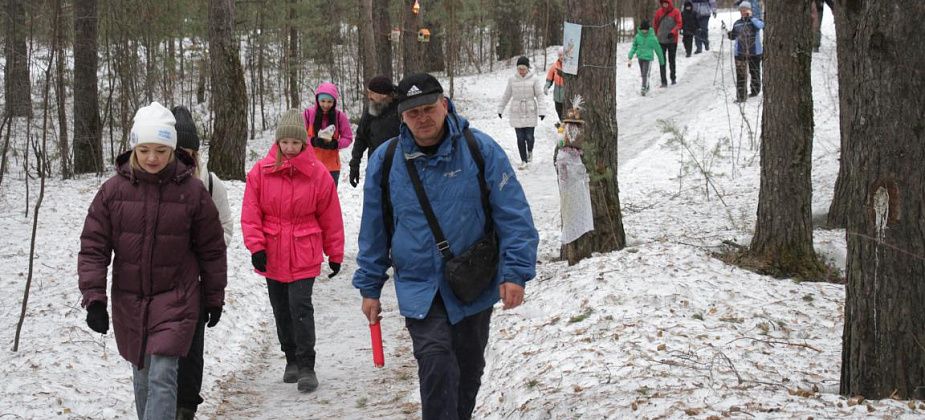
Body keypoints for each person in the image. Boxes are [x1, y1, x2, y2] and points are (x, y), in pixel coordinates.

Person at [353, 73, 539, 420]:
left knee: (468, 373)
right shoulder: (386, 160)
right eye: (413, 113)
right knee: (436, 364)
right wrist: (370, 286)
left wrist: (515, 272)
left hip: (472, 283)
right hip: (419, 286)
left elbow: (513, 215)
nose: (422, 119)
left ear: (444, 105)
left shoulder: (479, 149)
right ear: (401, 117)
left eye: (428, 109)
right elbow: (374, 229)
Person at [78, 101, 227, 420]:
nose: (152, 157)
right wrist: (94, 299)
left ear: (172, 149)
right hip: (129, 302)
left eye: (161, 150)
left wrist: (213, 297)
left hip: (177, 298)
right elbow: (94, 247)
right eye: (145, 149)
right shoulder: (112, 193)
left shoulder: (192, 192)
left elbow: (211, 249)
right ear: (134, 147)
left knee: (162, 374)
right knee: (144, 377)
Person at [241, 109, 345, 393]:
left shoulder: (317, 174)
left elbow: (330, 216)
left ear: (303, 143)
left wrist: (335, 253)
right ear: (278, 142)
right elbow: (251, 213)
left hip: (304, 250)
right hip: (272, 252)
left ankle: (307, 365)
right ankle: (290, 359)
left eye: (295, 143)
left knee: (300, 306)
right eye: (284, 142)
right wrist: (256, 247)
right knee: (281, 308)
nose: (289, 148)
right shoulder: (260, 172)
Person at [170, 105, 233, 420]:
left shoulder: (210, 184)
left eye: (189, 151)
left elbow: (226, 229)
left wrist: (204, 245)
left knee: (192, 351)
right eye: (178, 151)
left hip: (195, 283)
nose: (184, 157)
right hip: (162, 284)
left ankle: (186, 409)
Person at [349, 75, 401, 188]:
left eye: (372, 93)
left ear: (384, 95)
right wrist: (355, 164)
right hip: (376, 166)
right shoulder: (370, 110)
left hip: (400, 168)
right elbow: (361, 137)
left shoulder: (402, 109)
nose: (369, 96)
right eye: (368, 92)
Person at [498, 56, 546, 169]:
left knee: (529, 137)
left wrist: (542, 111)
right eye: (519, 68)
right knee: (520, 138)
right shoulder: (512, 79)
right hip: (517, 111)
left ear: (527, 68)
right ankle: (523, 160)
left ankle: (530, 150)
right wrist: (500, 109)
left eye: (523, 69)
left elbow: (539, 95)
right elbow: (506, 95)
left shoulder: (534, 79)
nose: (521, 71)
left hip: (530, 110)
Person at [303, 82, 354, 186]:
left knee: (329, 199)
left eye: (329, 101)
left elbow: (348, 138)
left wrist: (336, 144)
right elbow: (300, 136)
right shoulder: (308, 114)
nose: (326, 105)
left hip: (332, 168)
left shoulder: (340, 117)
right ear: (317, 100)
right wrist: (312, 141)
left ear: (334, 102)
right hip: (310, 165)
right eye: (323, 101)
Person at [728, 1, 765, 103]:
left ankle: (755, 90)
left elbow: (761, 26)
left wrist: (751, 18)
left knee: (755, 72)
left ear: (749, 10)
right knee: (741, 75)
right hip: (740, 53)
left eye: (745, 10)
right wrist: (727, 34)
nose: (743, 12)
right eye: (741, 10)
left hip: (755, 52)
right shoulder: (737, 23)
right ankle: (741, 96)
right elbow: (733, 36)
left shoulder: (755, 21)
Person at [628, 19, 666, 96]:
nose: (644, 31)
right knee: (643, 73)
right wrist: (630, 55)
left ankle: (644, 87)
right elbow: (634, 46)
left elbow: (658, 49)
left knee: (645, 73)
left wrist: (661, 60)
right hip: (640, 57)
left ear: (648, 29)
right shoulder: (638, 36)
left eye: (645, 30)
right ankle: (646, 84)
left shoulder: (652, 38)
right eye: (643, 30)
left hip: (648, 59)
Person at [654, 0, 683, 86]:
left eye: (666, 3)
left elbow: (679, 24)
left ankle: (673, 78)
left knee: (672, 60)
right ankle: (663, 81)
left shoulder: (676, 12)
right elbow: (655, 24)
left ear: (669, 3)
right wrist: (655, 35)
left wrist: (673, 32)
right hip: (661, 41)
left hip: (672, 41)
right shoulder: (658, 12)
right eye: (663, 3)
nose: (665, 5)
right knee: (662, 61)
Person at [544, 48, 566, 124]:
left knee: (566, 112)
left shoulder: (569, 66)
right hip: (557, 93)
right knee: (558, 110)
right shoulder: (554, 66)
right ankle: (562, 123)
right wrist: (546, 86)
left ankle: (565, 126)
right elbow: (549, 78)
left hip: (566, 93)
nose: (562, 57)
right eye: (560, 55)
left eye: (563, 55)